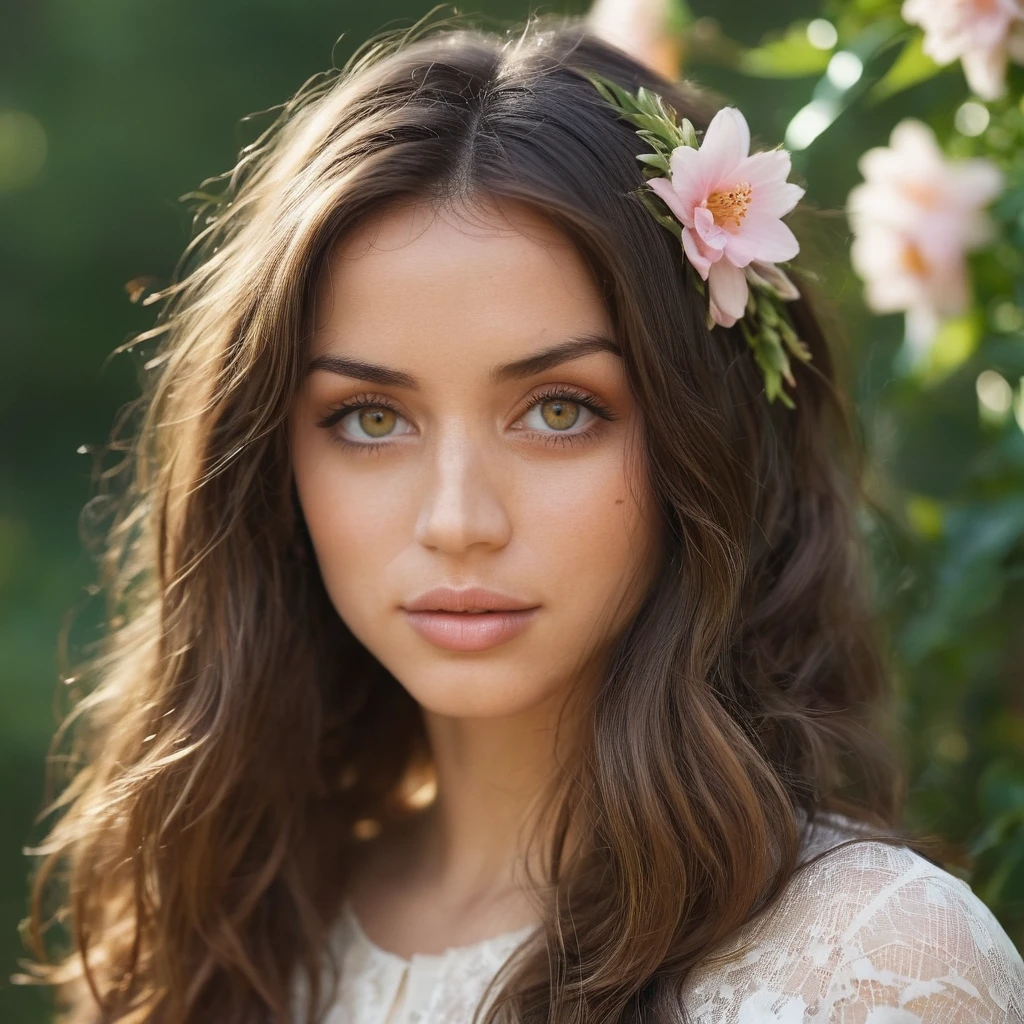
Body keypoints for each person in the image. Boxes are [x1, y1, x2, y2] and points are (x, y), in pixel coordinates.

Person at [19, 9, 1024, 1024]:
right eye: (371, 418)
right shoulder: (232, 923)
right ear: (272, 464)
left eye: (558, 411)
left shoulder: (865, 963)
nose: (457, 521)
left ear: (702, 438)